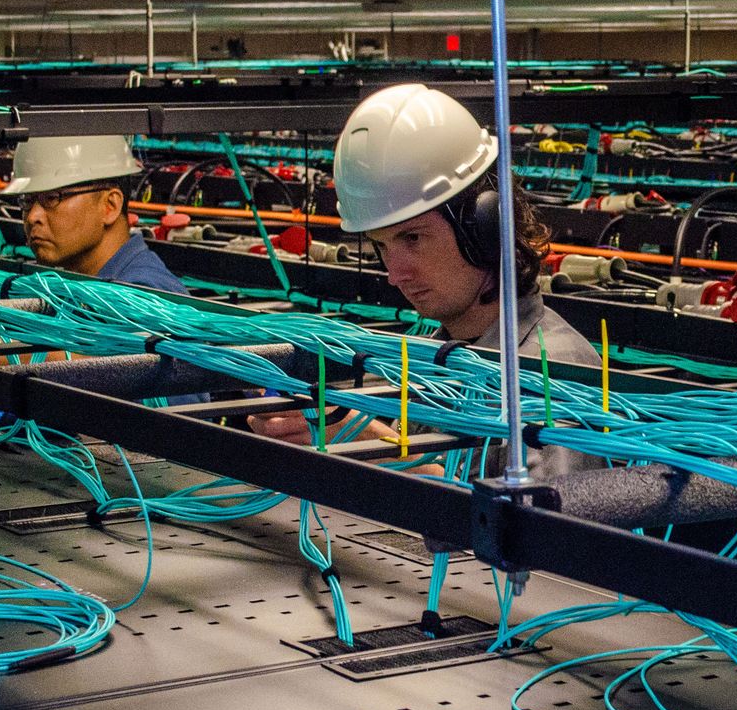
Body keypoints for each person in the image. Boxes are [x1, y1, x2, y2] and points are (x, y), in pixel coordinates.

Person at [249, 83, 598, 454]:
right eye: (382, 245)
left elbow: (540, 510)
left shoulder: (559, 373)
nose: (395, 275)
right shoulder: (430, 360)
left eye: (412, 238)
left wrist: (374, 446)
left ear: (486, 226)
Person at [0, 136, 188, 295]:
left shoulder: (140, 298)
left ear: (110, 205)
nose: (32, 217)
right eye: (27, 200)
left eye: (52, 198)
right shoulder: (88, 289)